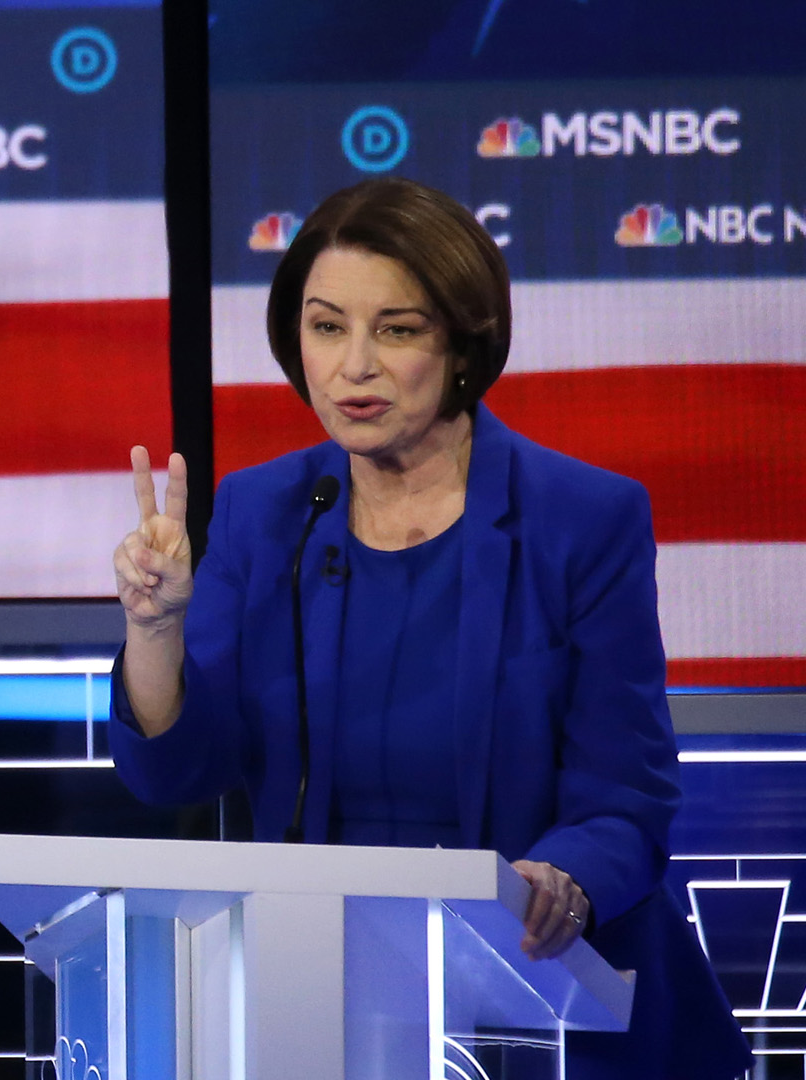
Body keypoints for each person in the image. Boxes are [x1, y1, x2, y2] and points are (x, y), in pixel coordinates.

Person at [111, 178, 749, 1075]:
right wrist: (156, 630)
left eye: (397, 330)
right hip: (330, 1011)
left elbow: (627, 794)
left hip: (557, 1011)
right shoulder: (269, 512)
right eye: (327, 326)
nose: (353, 366)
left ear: (461, 343)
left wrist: (562, 881)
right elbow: (180, 770)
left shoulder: (581, 519)